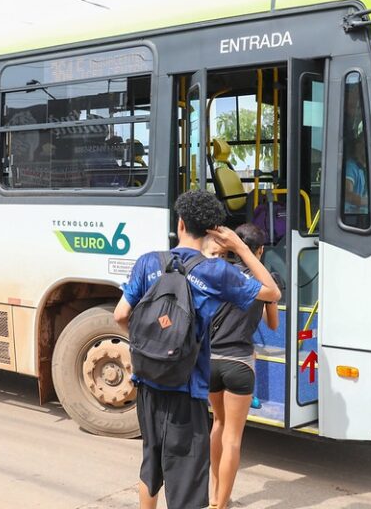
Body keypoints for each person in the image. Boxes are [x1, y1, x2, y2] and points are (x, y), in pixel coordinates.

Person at [114, 190, 281, 509]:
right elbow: (271, 292)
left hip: (147, 384)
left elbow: (121, 315)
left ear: (180, 224)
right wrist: (241, 247)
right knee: (186, 480)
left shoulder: (149, 262)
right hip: (187, 387)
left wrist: (151, 346)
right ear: (211, 232)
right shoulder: (216, 272)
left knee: (152, 465)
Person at [207, 223, 279, 509]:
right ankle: (221, 505)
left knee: (218, 424)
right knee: (233, 438)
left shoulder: (217, 274)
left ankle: (214, 494)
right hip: (239, 363)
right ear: (259, 250)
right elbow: (273, 323)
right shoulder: (263, 283)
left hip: (211, 361)